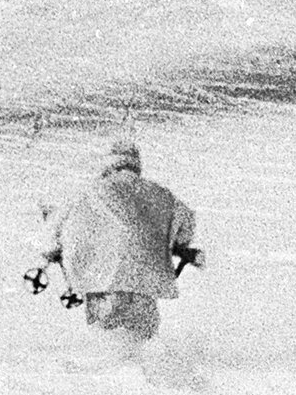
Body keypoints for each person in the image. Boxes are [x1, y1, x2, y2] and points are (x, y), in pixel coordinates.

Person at [40, 140, 197, 347]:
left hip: (103, 284)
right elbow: (186, 224)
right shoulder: (162, 193)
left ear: (107, 164)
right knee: (142, 345)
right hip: (146, 285)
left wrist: (51, 251)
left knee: (110, 351)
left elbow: (53, 231)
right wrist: (177, 243)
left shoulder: (88, 192)